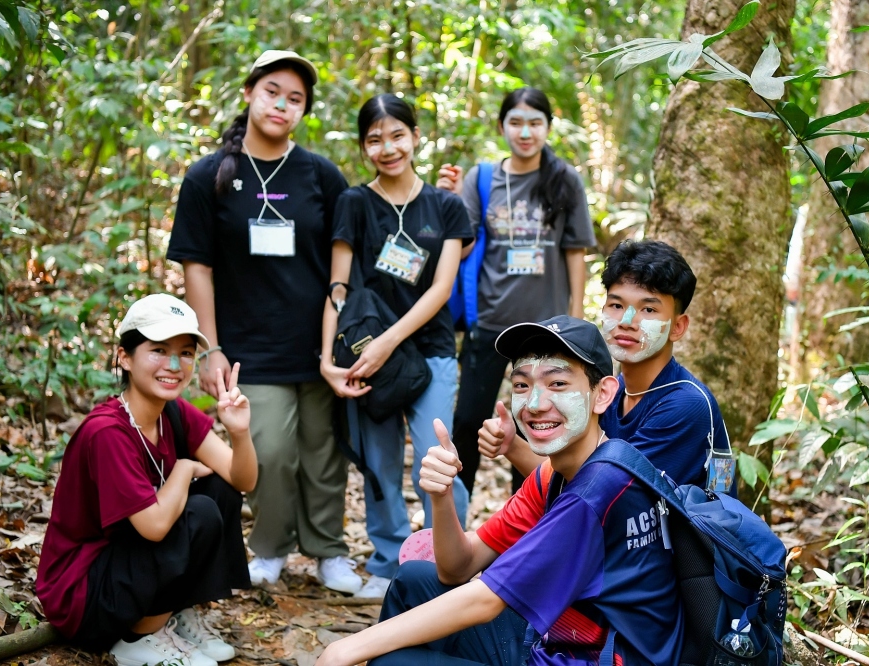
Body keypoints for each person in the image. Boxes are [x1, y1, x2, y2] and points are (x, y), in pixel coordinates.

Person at [314, 316, 683, 666]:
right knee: (413, 580)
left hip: (591, 657)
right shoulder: (554, 474)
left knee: (392, 660)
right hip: (555, 640)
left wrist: (344, 649)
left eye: (557, 384)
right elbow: (458, 568)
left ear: (602, 394)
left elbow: (485, 601)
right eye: (522, 385)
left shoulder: (598, 488)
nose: (535, 404)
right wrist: (441, 495)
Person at [167, 50, 360, 592]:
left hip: (318, 345)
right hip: (247, 348)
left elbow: (344, 261)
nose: (282, 105)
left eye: (295, 98)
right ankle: (271, 546)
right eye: (272, 91)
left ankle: (328, 551)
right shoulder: (209, 176)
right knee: (269, 451)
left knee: (323, 453)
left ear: (304, 111)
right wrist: (209, 348)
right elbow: (196, 266)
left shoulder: (321, 175)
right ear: (250, 92)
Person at [36, 294, 256, 666]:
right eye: (158, 350)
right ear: (125, 357)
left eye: (185, 353)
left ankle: (171, 613)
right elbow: (154, 527)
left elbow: (242, 479)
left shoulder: (173, 413)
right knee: (200, 510)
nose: (174, 365)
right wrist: (184, 469)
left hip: (124, 568)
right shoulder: (108, 431)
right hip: (84, 595)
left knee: (220, 491)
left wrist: (239, 432)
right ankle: (138, 638)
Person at [320, 94, 473, 599]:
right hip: (367, 355)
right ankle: (388, 564)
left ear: (415, 136)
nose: (387, 148)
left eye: (397, 135)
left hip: (429, 350)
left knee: (435, 457)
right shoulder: (354, 202)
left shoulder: (446, 206)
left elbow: (441, 289)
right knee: (379, 462)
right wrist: (328, 360)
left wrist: (390, 341)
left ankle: (449, 561)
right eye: (374, 139)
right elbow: (338, 288)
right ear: (363, 146)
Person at [437, 87, 596, 495]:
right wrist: (450, 203)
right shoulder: (483, 178)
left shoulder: (564, 179)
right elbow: (464, 247)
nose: (526, 132)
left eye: (535, 123)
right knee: (468, 422)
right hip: (490, 322)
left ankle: (529, 519)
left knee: (535, 426)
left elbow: (575, 251)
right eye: (516, 122)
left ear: (548, 127)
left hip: (546, 331)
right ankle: (454, 512)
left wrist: (575, 316)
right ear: (502, 126)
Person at [479, 240, 734, 494]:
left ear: (678, 327)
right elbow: (571, 482)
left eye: (648, 309)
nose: (626, 321)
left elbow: (604, 494)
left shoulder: (687, 404)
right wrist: (512, 444)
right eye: (616, 305)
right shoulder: (612, 391)